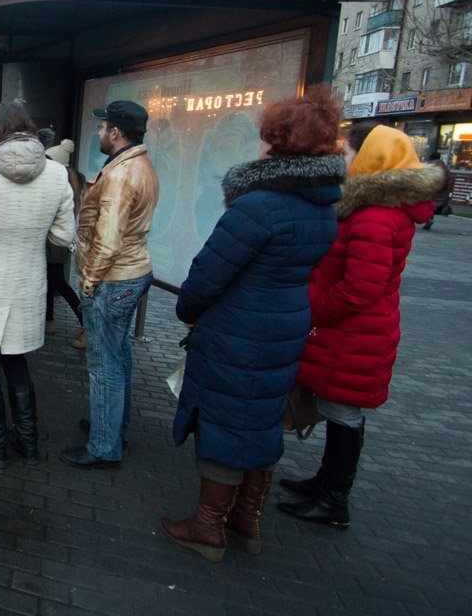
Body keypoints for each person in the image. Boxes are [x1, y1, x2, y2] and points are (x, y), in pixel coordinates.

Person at [161, 89, 345, 562]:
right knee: (262, 419)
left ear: (278, 141)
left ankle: (207, 528)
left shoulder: (259, 207)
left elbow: (208, 275)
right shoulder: (322, 206)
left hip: (239, 330)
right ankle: (247, 521)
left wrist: (188, 309)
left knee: (224, 421)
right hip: (284, 328)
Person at [277, 123, 446, 530]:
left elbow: (360, 287)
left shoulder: (374, 215)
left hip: (354, 335)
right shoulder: (373, 207)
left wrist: (313, 307)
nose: (343, 160)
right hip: (355, 332)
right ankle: (326, 483)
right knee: (339, 409)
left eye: (349, 152)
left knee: (344, 411)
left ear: (371, 159)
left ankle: (334, 499)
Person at [0, 104, 77, 467]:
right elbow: (63, 235)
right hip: (28, 284)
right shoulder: (57, 175)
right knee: (16, 361)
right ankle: (28, 440)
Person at [60, 100, 158, 470]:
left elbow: (109, 237)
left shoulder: (119, 176)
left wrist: (88, 280)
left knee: (104, 365)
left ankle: (103, 445)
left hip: (113, 278)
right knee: (119, 358)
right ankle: (114, 427)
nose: (99, 133)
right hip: (131, 272)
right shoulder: (139, 164)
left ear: (116, 132)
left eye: (102, 128)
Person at [43, 138, 86, 348]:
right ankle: (48, 320)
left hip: (56, 241)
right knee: (52, 281)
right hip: (60, 241)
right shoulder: (73, 180)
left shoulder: (62, 183)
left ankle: (85, 320)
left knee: (57, 281)